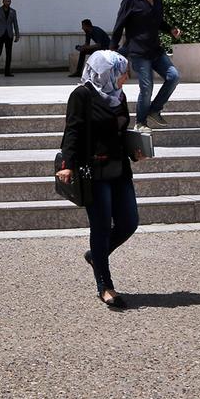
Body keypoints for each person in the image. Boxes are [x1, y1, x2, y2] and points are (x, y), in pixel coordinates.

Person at [56, 49, 146, 309]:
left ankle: (96, 256)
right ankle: (105, 286)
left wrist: (134, 150)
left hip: (119, 168)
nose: (125, 78)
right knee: (102, 227)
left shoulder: (118, 96)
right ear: (107, 73)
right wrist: (67, 165)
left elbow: (119, 132)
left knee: (129, 222)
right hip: (93, 171)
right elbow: (72, 131)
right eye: (122, 73)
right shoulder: (82, 95)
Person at [109, 0, 182, 128]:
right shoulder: (130, 0)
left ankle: (154, 110)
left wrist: (171, 30)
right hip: (138, 52)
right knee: (147, 86)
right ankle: (140, 122)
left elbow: (158, 22)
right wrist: (112, 51)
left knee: (174, 76)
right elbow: (119, 25)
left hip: (156, 50)